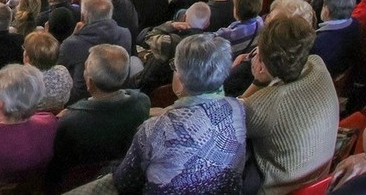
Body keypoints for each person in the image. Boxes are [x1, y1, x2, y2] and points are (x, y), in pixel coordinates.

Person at [107, 35, 246, 193]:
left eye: (175, 67)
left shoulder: (154, 129)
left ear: (181, 78)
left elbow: (124, 183)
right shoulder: (238, 108)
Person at [241, 14, 339, 193]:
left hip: (278, 189)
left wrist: (258, 81)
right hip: (320, 180)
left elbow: (228, 118)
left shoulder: (265, 105)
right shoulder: (318, 64)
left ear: (262, 60)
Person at [48, 44, 149, 190]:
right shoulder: (142, 102)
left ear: (89, 82)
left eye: (85, 69)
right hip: (124, 176)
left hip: (81, 185)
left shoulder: (70, 122)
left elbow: (58, 166)